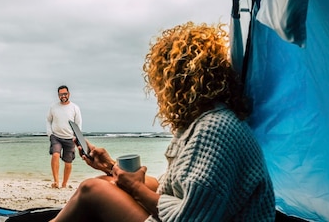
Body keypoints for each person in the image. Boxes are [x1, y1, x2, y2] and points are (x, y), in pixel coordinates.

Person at [50, 22, 275, 221]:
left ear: (177, 81)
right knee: (106, 182)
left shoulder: (215, 127)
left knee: (93, 189)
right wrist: (111, 167)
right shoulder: (204, 122)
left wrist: (136, 188)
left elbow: (189, 217)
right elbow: (169, 188)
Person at [46, 85, 82, 189]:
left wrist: (76, 137)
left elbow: (78, 124)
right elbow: (48, 120)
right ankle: (56, 182)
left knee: (68, 162)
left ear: (69, 94)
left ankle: (64, 184)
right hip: (56, 136)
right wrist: (50, 133)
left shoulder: (75, 108)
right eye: (61, 94)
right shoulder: (53, 107)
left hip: (70, 138)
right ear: (58, 95)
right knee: (55, 155)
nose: (63, 96)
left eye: (65, 94)